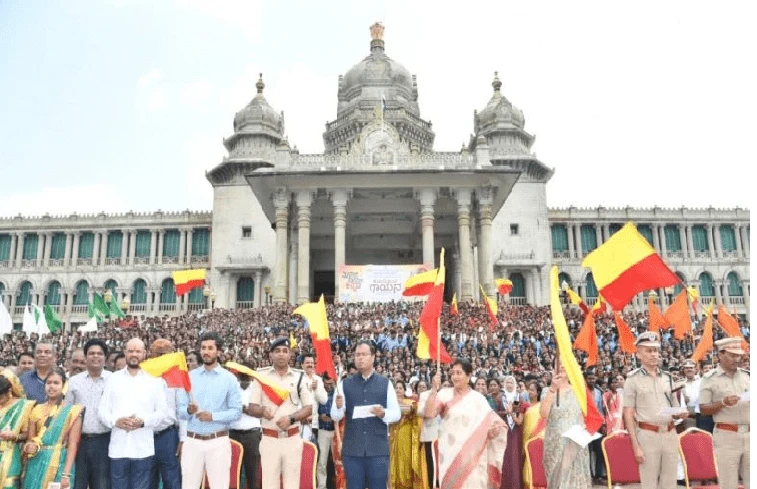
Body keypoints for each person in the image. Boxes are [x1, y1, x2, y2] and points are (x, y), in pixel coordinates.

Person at [98, 338, 170, 489]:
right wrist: (115, 421)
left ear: (144, 354)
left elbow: (162, 412)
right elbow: (102, 411)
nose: (134, 354)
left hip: (143, 448)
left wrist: (143, 422)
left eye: (138, 351)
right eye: (130, 351)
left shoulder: (155, 380)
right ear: (125, 353)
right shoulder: (113, 379)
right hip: (118, 448)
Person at [424, 359, 507, 489]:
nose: (455, 377)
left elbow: (494, 425)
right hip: (450, 456)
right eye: (453, 373)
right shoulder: (444, 394)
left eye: (459, 373)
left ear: (468, 376)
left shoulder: (478, 399)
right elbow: (429, 414)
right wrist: (434, 390)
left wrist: (493, 432)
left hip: (473, 457)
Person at [622, 331, 688, 489]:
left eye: (656, 350)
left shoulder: (668, 378)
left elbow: (673, 407)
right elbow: (628, 414)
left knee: (670, 482)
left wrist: (679, 412)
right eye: (648, 350)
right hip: (647, 435)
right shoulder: (632, 380)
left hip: (670, 434)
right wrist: (635, 445)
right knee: (649, 482)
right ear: (638, 354)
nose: (653, 354)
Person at [331, 341, 401, 489]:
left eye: (364, 354)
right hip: (353, 450)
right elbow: (335, 416)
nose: (360, 358)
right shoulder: (345, 384)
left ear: (373, 357)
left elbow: (396, 414)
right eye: (357, 355)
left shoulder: (385, 383)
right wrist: (338, 407)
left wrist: (383, 413)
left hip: (377, 450)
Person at [177, 331, 242, 489]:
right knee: (188, 486)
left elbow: (236, 412)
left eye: (210, 348)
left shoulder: (229, 379)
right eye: (203, 348)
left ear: (218, 351)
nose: (206, 352)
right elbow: (179, 411)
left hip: (218, 441)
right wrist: (189, 410)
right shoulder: (189, 377)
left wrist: (213, 416)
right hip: (192, 441)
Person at [249, 337, 311, 489]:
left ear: (290, 355)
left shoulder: (300, 376)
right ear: (270, 355)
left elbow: (308, 408)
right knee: (269, 484)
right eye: (277, 351)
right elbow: (251, 407)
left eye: (285, 351)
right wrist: (262, 411)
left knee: (292, 485)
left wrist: (291, 418)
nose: (281, 354)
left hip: (292, 439)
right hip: (269, 440)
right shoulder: (261, 376)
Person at [699, 337, 750, 489]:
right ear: (721, 355)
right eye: (732, 355)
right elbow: (703, 409)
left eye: (739, 355)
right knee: (729, 483)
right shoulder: (710, 379)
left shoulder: (747, 376)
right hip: (727, 436)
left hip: (750, 434)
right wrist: (723, 402)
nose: (737, 358)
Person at [23, 368, 83, 489]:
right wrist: (29, 446)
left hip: (60, 462)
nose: (51, 386)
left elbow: (72, 445)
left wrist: (66, 474)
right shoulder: (36, 409)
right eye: (48, 383)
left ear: (64, 385)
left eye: (56, 383)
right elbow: (30, 439)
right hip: (36, 462)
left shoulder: (72, 411)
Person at [67, 339, 112, 489]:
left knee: (101, 485)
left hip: (104, 442)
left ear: (105, 358)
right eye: (91, 353)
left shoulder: (114, 380)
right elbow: (67, 412)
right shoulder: (73, 382)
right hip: (79, 442)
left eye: (99, 353)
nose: (95, 356)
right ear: (86, 357)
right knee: (77, 484)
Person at [539, 365, 591, 489]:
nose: (562, 366)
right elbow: (543, 414)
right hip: (555, 444)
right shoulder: (547, 391)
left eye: (565, 364)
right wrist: (552, 389)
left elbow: (584, 416)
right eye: (558, 363)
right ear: (552, 370)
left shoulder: (579, 391)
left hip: (575, 444)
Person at [148, 340, 183, 489]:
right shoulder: (144, 375)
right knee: (148, 479)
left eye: (165, 353)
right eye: (158, 352)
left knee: (171, 480)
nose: (161, 356)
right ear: (151, 354)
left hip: (168, 436)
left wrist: (183, 438)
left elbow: (182, 410)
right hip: (146, 434)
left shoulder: (177, 375)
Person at [389, 380, 426, 489]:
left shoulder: (410, 403)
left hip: (406, 437)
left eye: (401, 388)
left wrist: (411, 409)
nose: (398, 390)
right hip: (392, 436)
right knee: (393, 462)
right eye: (396, 388)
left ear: (405, 391)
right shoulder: (389, 404)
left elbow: (417, 413)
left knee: (405, 461)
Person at [0, 370, 34, 489]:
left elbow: (27, 434)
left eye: (1, 397)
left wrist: (14, 436)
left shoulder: (23, 406)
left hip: (10, 454)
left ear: (9, 391)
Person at [229, 369, 261, 489]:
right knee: (233, 471)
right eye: (241, 376)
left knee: (252, 472)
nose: (244, 379)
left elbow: (260, 411)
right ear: (237, 375)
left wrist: (246, 409)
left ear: (252, 376)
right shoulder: (232, 388)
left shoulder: (257, 388)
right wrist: (244, 409)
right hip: (233, 434)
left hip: (252, 435)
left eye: (247, 376)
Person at [500, 376, 524, 489]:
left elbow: (517, 415)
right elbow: (497, 412)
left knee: (514, 458)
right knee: (504, 458)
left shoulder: (517, 397)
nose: (509, 384)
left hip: (514, 430)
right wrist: (506, 412)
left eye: (511, 382)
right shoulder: (501, 397)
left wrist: (510, 412)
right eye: (507, 382)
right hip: (503, 430)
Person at [521, 381, 544, 489]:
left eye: (532, 390)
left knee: (535, 468)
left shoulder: (542, 406)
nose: (529, 392)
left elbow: (544, 423)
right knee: (525, 471)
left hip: (537, 441)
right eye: (528, 389)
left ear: (538, 392)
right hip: (525, 440)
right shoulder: (525, 405)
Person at [416, 378, 439, 489]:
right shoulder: (425, 395)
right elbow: (420, 412)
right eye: (435, 379)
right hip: (430, 435)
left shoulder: (446, 395)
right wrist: (430, 403)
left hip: (444, 435)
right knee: (431, 466)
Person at [301, 354, 328, 445]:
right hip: (299, 423)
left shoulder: (318, 380)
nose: (310, 365)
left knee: (311, 455)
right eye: (307, 362)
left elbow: (324, 400)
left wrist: (316, 389)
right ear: (302, 365)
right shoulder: (298, 379)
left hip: (313, 423)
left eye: (312, 363)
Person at [316, 376, 336, 489]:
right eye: (326, 384)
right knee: (321, 462)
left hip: (335, 430)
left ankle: (339, 484)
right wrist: (320, 416)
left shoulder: (337, 394)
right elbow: (314, 410)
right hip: (322, 430)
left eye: (330, 383)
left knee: (337, 461)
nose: (328, 386)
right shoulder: (319, 393)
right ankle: (322, 486)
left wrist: (334, 418)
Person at [680, 359, 700, 430]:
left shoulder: (702, 382)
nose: (689, 370)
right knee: (691, 436)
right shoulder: (679, 383)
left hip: (703, 413)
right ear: (683, 370)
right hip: (688, 414)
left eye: (691, 368)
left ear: (695, 369)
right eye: (686, 368)